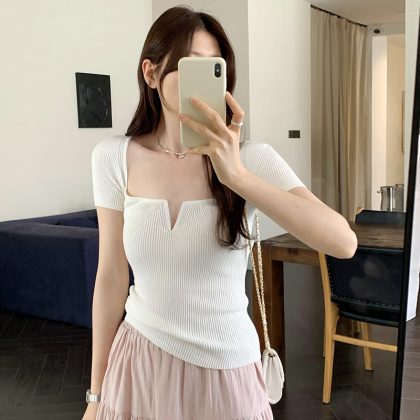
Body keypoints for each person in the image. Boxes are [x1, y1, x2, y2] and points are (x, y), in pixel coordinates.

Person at [83, 5, 358, 420]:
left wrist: (238, 177)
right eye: (190, 65)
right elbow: (110, 277)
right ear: (151, 73)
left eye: (215, 67)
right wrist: (96, 395)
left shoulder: (251, 158)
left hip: (227, 368)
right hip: (138, 361)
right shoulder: (112, 158)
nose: (205, 79)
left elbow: (343, 242)